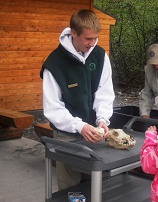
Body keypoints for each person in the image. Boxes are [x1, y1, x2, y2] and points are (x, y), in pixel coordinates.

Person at [40, 9, 115, 190]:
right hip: (67, 136)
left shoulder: (100, 55)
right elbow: (52, 108)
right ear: (73, 33)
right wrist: (79, 126)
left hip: (94, 134)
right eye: (88, 39)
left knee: (94, 185)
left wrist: (103, 119)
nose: (92, 44)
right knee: (70, 188)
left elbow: (104, 92)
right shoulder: (54, 63)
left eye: (95, 38)